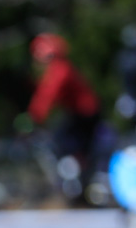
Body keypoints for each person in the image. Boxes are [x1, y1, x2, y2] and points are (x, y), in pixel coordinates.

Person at [26, 32, 101, 203]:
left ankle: (76, 182)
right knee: (62, 140)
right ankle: (75, 179)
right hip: (77, 113)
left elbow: (47, 94)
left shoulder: (60, 69)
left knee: (64, 144)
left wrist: (34, 116)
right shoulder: (60, 67)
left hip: (85, 114)